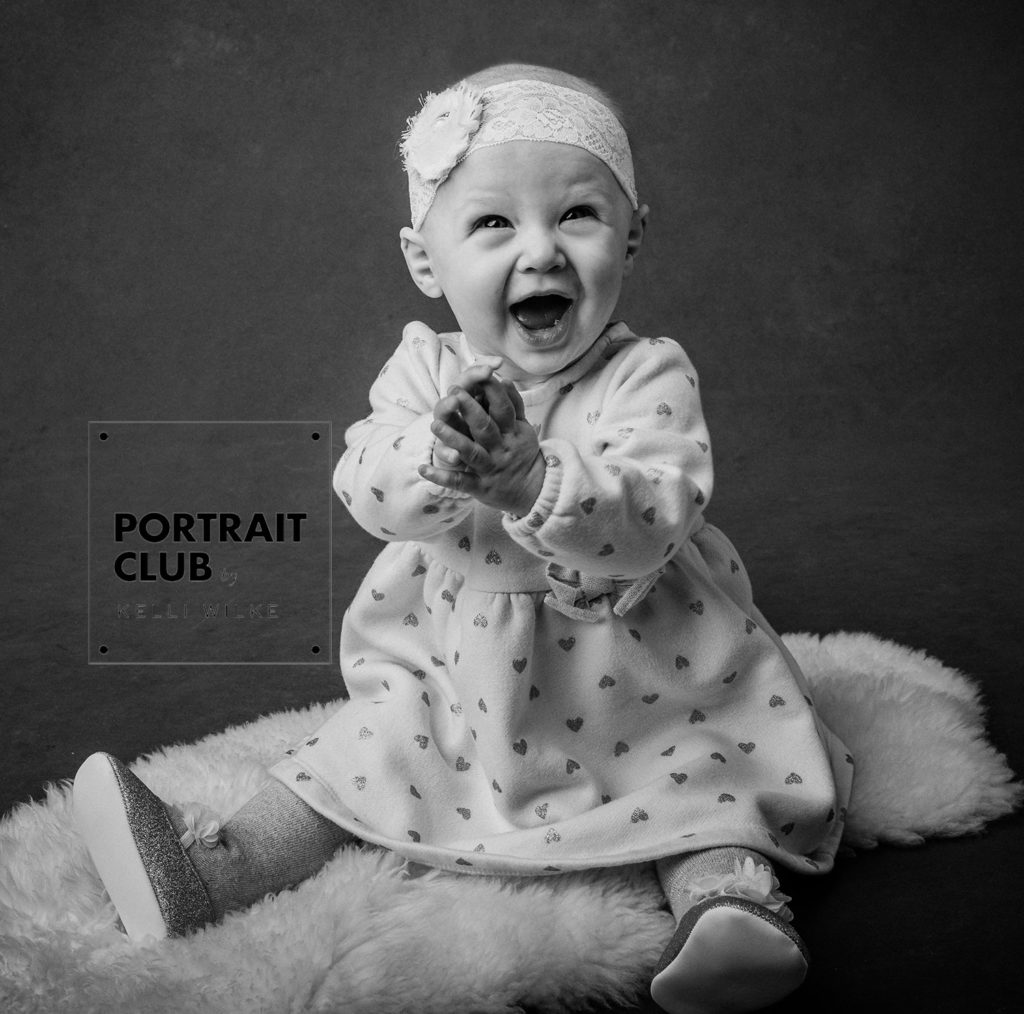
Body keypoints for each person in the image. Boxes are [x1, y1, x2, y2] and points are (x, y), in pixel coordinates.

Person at [75, 63, 853, 1013]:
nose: (541, 253)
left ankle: (729, 906)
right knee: (362, 756)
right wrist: (435, 459)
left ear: (633, 233)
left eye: (577, 216)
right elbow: (364, 485)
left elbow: (659, 508)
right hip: (457, 671)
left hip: (642, 670)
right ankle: (212, 872)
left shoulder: (645, 374)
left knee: (702, 769)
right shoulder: (422, 370)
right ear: (424, 259)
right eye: (493, 223)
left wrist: (534, 478)